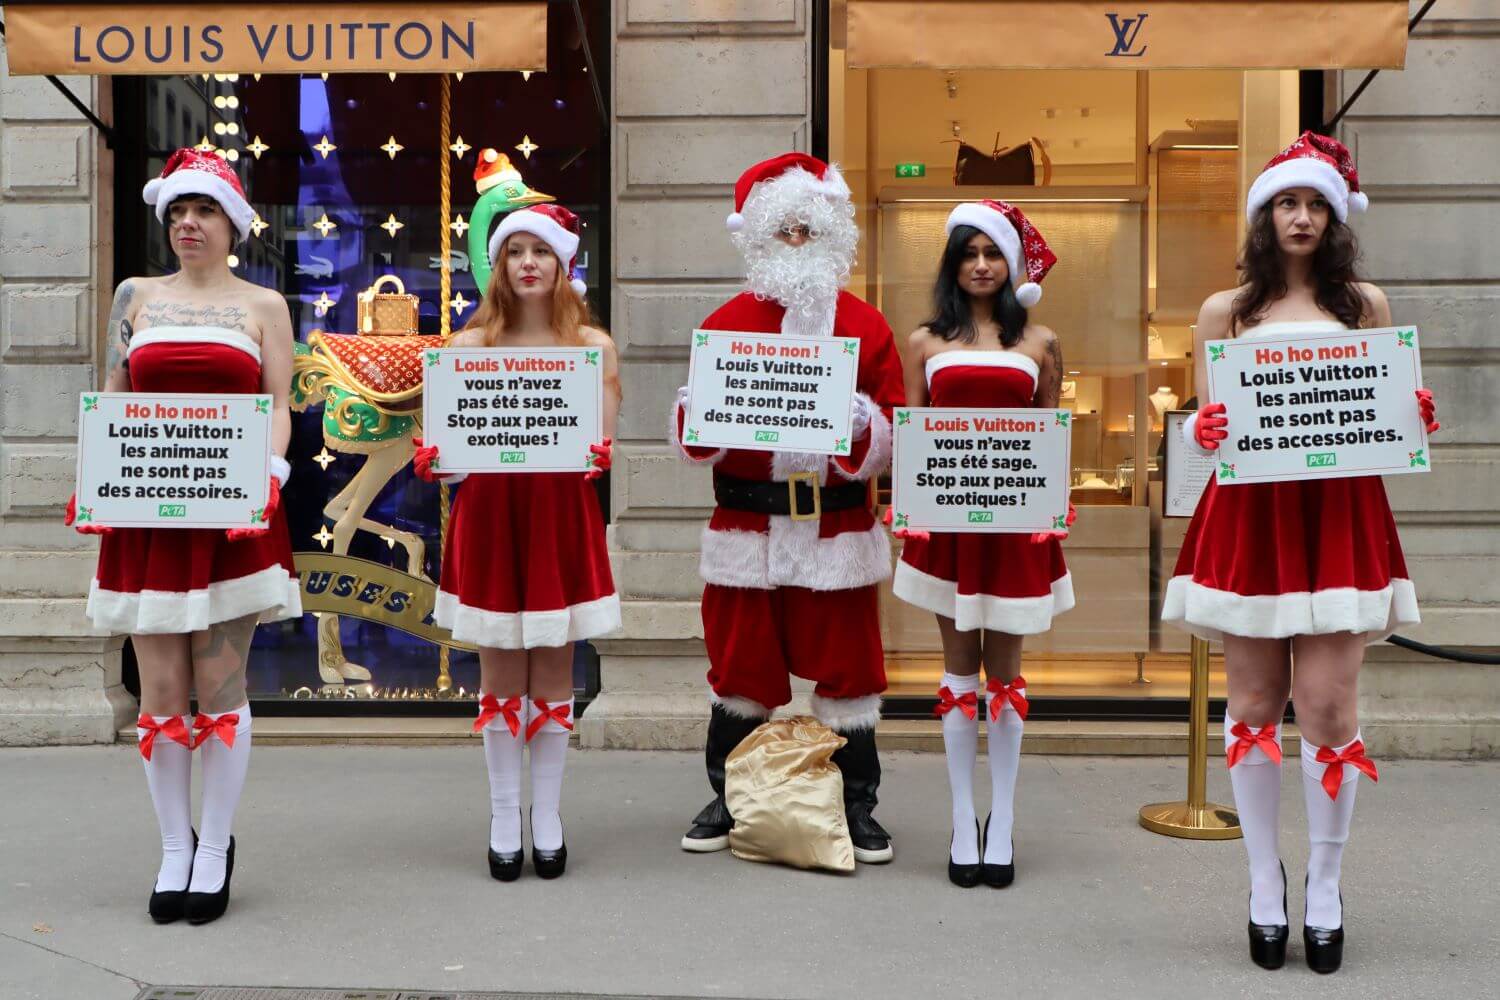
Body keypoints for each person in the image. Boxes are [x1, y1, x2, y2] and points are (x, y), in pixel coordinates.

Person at [1162, 132, 1439, 973]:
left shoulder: (1367, 305)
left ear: (1335, 217)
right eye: (1288, 202)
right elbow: (1213, 438)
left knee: (1326, 709)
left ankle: (1325, 880)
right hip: (1251, 519)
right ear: (1263, 214)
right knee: (1252, 706)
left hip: (1340, 517)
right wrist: (1205, 430)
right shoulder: (1225, 313)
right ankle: (1261, 883)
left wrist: (1411, 416)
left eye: (1316, 203)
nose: (1302, 216)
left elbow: (1388, 419)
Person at [70, 148, 302, 925]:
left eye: (201, 211)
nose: (187, 224)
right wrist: (94, 477)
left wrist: (271, 473)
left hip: (232, 518)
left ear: (231, 223)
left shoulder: (265, 305)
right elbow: (113, 395)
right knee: (161, 692)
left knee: (220, 687)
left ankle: (215, 847)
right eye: (176, 213)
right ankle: (175, 845)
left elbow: (279, 402)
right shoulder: (133, 296)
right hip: (148, 520)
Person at [670, 152, 905, 863]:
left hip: (836, 528)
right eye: (786, 232)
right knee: (740, 669)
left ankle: (855, 800)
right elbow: (694, 439)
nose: (799, 244)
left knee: (850, 671)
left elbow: (894, 429)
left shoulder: (867, 325)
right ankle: (733, 794)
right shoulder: (727, 322)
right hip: (746, 527)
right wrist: (695, 415)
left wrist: (862, 424)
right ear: (760, 238)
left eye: (810, 230)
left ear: (832, 233)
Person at [414, 204, 619, 881]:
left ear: (563, 265)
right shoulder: (466, 350)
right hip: (493, 515)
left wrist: (595, 451)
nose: (528, 262)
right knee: (501, 668)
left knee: (555, 668)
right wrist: (441, 458)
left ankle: (549, 815)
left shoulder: (593, 347)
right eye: (514, 251)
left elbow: (601, 442)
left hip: (559, 515)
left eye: (542, 251)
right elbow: (450, 446)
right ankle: (505, 815)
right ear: (498, 267)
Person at [889, 200, 1074, 888]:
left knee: (1007, 673)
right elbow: (910, 429)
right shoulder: (925, 343)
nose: (980, 265)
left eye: (992, 254)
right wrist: (903, 508)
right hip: (948, 527)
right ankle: (963, 819)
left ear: (1013, 265)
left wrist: (1057, 509)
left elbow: (1052, 432)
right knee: (958, 667)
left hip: (1016, 528)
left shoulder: (1041, 343)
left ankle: (1004, 818)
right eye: (968, 254)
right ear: (952, 264)